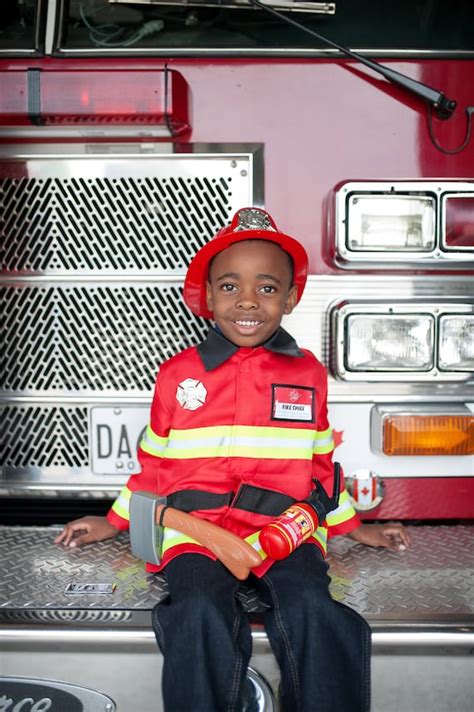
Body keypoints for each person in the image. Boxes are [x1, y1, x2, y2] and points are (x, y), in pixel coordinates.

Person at [56, 207, 410, 712]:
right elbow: (154, 464)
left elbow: (320, 465)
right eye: (229, 287)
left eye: (267, 288)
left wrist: (355, 528)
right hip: (195, 532)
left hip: (286, 531)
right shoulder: (178, 375)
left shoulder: (308, 374)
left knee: (314, 608)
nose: (247, 301)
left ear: (290, 298)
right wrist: (114, 521)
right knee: (197, 611)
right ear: (207, 297)